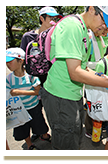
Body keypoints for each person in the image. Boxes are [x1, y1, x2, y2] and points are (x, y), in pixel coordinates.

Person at [39, 6, 108, 150]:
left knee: (74, 138)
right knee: (66, 144)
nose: (104, 26)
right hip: (60, 96)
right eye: (103, 20)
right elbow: (75, 72)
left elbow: (83, 68)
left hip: (71, 94)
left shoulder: (84, 30)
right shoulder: (72, 26)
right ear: (91, 9)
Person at [20, 6, 61, 141]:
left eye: (55, 18)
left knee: (53, 107)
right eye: (50, 18)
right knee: (36, 108)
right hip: (34, 79)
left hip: (52, 78)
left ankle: (55, 131)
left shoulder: (56, 35)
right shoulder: (28, 37)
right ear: (41, 18)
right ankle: (40, 131)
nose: (53, 21)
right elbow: (23, 58)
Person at [6, 48, 50, 150]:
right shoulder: (8, 79)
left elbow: (38, 92)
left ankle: (44, 135)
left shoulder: (31, 77)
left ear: (21, 61)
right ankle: (30, 144)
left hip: (33, 106)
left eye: (10, 61)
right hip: (19, 110)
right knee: (23, 127)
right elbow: (7, 93)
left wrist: (19, 92)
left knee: (39, 123)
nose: (7, 64)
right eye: (6, 62)